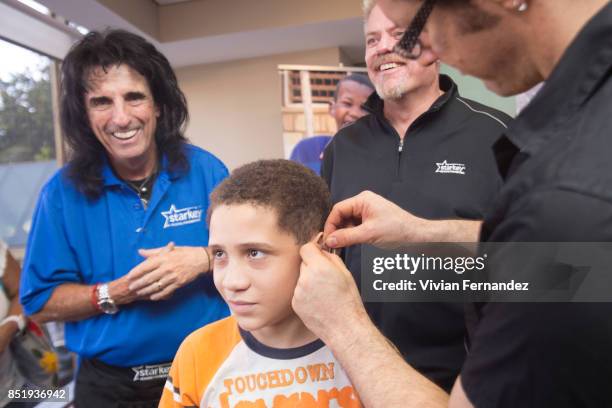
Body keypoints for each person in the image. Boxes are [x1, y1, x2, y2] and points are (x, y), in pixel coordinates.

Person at [293, 0, 612, 407]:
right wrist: (419, 233)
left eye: (413, 31)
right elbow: (576, 272)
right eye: (374, 39)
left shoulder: (557, 185)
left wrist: (343, 326)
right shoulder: (576, 146)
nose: (434, 48)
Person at [20, 29, 229, 407]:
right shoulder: (61, 194)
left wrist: (202, 259)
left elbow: (256, 255)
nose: (121, 118)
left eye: (134, 97)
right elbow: (39, 301)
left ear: (159, 105)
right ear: (84, 115)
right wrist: (113, 293)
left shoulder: (206, 170)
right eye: (101, 101)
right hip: (109, 390)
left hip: (208, 372)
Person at [321, 3, 510, 392]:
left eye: (400, 34)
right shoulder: (343, 147)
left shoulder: (500, 135)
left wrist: (418, 232)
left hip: (474, 376)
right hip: (362, 370)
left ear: (436, 44)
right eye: (373, 39)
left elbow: (552, 261)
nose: (382, 48)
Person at [159, 160, 361, 407]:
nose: (232, 282)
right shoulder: (198, 354)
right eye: (219, 254)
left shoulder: (365, 352)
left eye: (255, 253)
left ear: (320, 249)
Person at [289, 74, 374, 174]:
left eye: (365, 108)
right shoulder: (307, 150)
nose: (355, 113)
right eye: (347, 103)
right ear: (331, 108)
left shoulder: (377, 158)